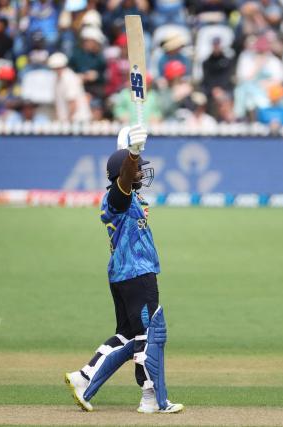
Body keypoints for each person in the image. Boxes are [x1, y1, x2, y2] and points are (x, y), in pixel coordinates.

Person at [64, 125, 184, 414]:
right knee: (149, 336)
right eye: (137, 170)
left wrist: (129, 150)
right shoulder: (119, 198)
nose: (142, 173)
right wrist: (132, 154)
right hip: (136, 273)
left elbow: (125, 174)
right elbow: (125, 180)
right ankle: (151, 398)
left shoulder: (124, 196)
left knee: (127, 337)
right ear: (124, 177)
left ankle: (83, 378)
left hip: (123, 274)